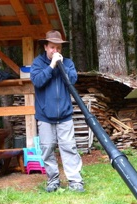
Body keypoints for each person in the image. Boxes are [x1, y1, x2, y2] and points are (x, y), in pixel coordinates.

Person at [30, 30, 84, 192]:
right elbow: (38, 81)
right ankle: (53, 180)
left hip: (65, 115)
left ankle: (75, 181)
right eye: (52, 47)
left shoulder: (67, 63)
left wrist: (60, 66)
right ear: (45, 47)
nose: (55, 51)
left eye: (58, 48)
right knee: (47, 148)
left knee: (69, 147)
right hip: (45, 116)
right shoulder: (38, 63)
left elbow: (73, 80)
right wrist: (52, 66)